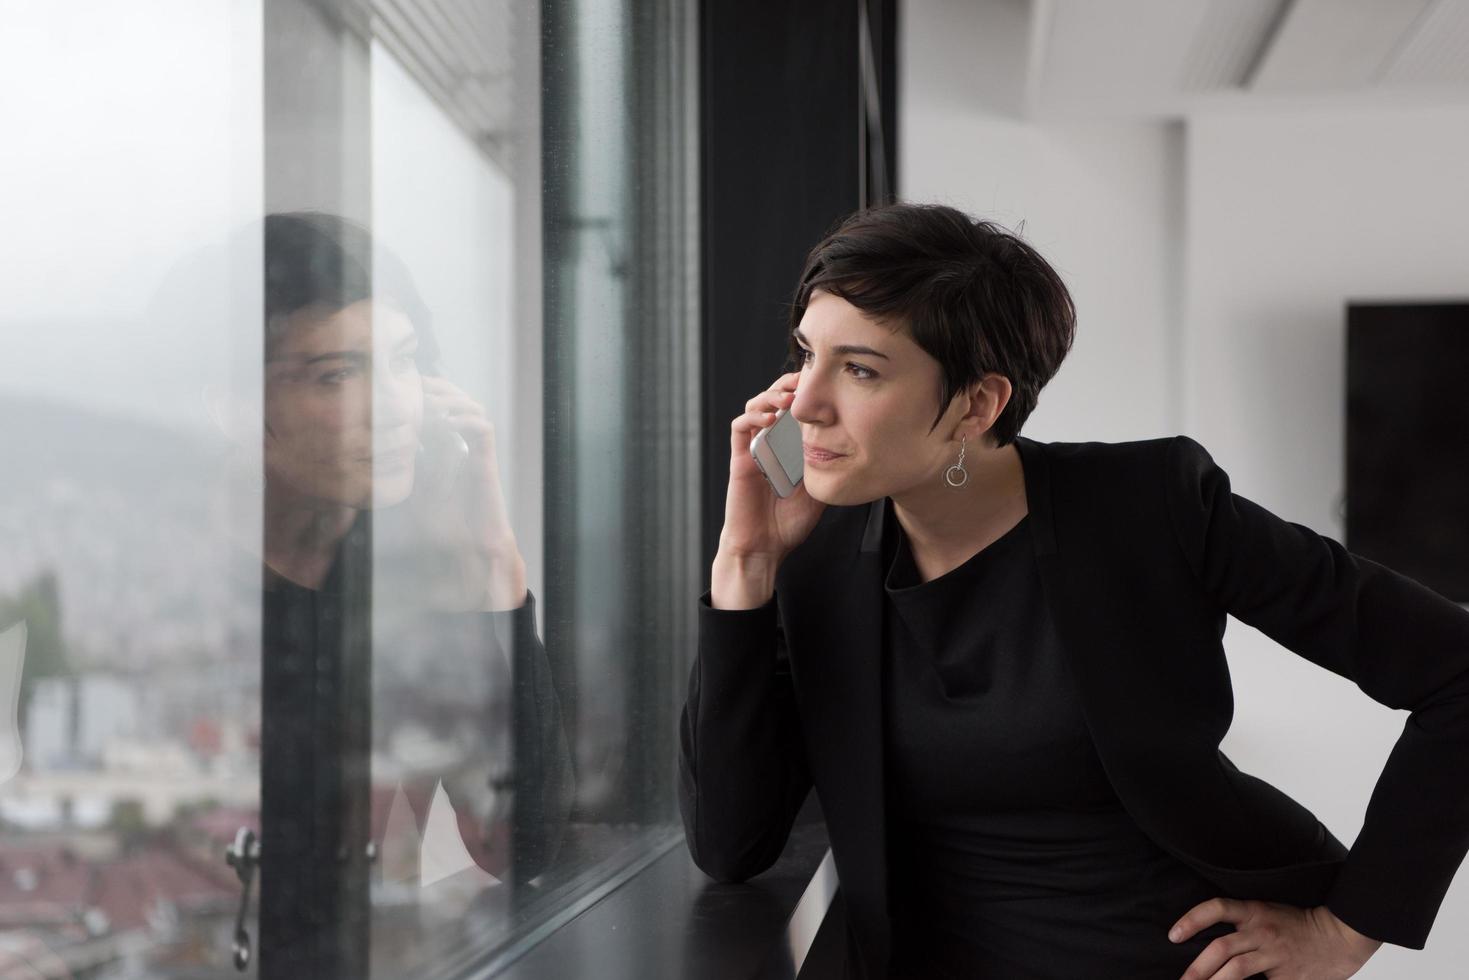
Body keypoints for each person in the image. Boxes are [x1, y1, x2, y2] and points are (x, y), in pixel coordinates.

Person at [679, 202, 1469, 980]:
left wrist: (1350, 928)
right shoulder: (817, 557)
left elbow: (1454, 673)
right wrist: (743, 563)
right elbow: (730, 846)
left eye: (858, 369)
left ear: (977, 404)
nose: (804, 404)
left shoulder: (1150, 505)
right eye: (805, 353)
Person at [246, 212, 572, 977]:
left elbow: (525, 842)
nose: (393, 407)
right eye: (338, 374)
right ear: (234, 405)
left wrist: (488, 563)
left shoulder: (396, 585)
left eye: (403, 362)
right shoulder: (227, 597)